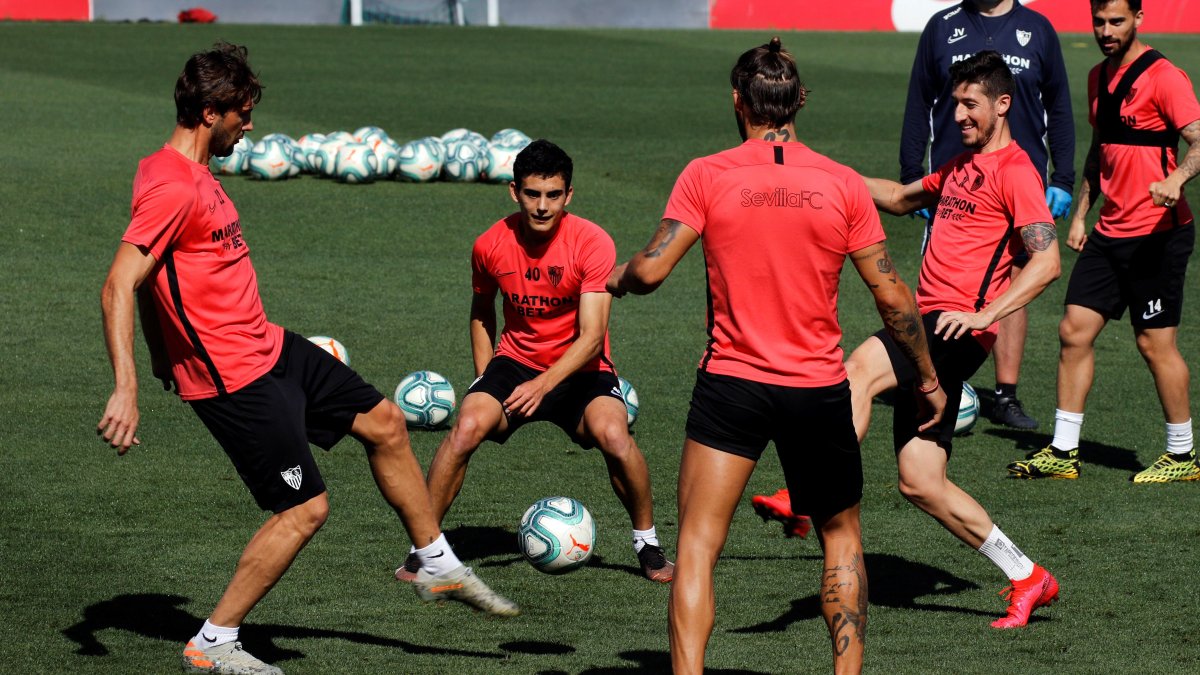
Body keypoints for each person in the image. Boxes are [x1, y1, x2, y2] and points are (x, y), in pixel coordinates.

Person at [96, 42, 516, 675]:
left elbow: (167, 281)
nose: (251, 125)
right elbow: (120, 283)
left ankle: (435, 562)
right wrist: (126, 387)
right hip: (232, 378)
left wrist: (159, 354)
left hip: (269, 345)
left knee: (385, 422)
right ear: (211, 113)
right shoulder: (171, 186)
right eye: (243, 113)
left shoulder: (190, 172)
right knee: (305, 509)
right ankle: (213, 643)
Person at [608, 37, 945, 675]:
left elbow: (649, 271)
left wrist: (620, 278)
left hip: (731, 384)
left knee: (698, 546)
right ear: (799, 103)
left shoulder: (706, 175)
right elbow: (893, 294)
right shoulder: (843, 184)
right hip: (817, 390)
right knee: (840, 537)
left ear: (739, 102)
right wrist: (925, 376)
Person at [755, 51, 1063, 630]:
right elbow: (899, 198)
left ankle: (804, 494)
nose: (960, 114)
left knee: (857, 373)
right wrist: (822, 171)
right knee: (921, 481)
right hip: (933, 324)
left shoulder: (1017, 171)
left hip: (950, 327)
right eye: (956, 104)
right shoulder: (963, 165)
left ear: (1003, 104)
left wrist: (984, 315)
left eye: (971, 105)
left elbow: (1046, 261)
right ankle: (1028, 575)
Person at [392, 139, 675, 585]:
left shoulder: (591, 242)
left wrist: (543, 384)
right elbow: (482, 311)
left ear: (569, 195)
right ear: (514, 191)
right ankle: (424, 548)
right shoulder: (490, 244)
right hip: (514, 364)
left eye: (553, 195)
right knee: (465, 428)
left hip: (581, 369)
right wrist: (484, 377)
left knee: (615, 436)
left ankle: (648, 544)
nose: (542, 206)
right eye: (532, 194)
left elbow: (592, 337)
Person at [1008, 0, 1200, 483]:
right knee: (1074, 331)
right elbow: (1101, 149)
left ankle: (1182, 456)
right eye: (1099, 21)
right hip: (1108, 231)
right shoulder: (1098, 77)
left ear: (1139, 18)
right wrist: (1080, 215)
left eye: (1116, 21)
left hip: (1159, 234)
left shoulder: (1164, 76)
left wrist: (1177, 179)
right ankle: (1063, 450)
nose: (1106, 30)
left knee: (1154, 344)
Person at [901, 0, 1075, 430]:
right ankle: (933, 376)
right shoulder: (942, 27)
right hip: (952, 180)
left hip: (1018, 182)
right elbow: (919, 100)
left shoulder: (1038, 29)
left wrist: (1063, 178)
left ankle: (1006, 394)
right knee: (946, 283)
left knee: (1015, 284)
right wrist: (911, 174)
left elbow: (1059, 105)